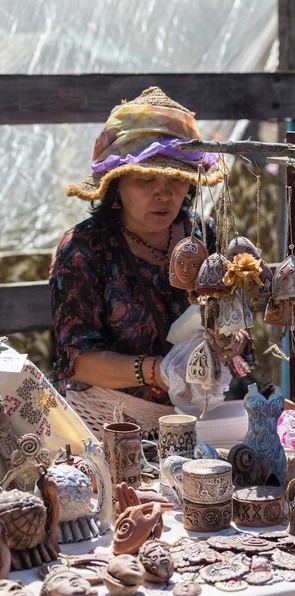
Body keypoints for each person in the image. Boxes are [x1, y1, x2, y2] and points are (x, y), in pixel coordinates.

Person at [49, 87, 250, 440]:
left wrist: (232, 339)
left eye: (176, 180)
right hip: (107, 424)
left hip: (202, 422)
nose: (163, 194)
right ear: (115, 183)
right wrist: (158, 371)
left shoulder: (204, 235)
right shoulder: (84, 249)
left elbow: (231, 315)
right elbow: (78, 360)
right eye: (145, 179)